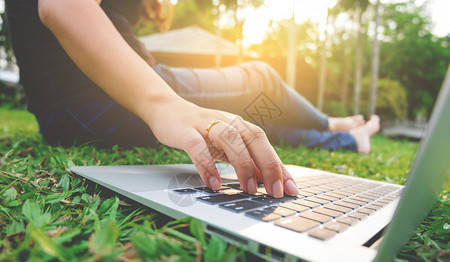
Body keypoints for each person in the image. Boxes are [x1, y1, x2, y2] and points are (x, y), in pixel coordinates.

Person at [5, 0, 379, 199]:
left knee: (242, 127)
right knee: (264, 78)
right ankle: (334, 123)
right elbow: (62, 4)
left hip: (66, 118)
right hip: (102, 96)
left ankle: (346, 140)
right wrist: (163, 105)